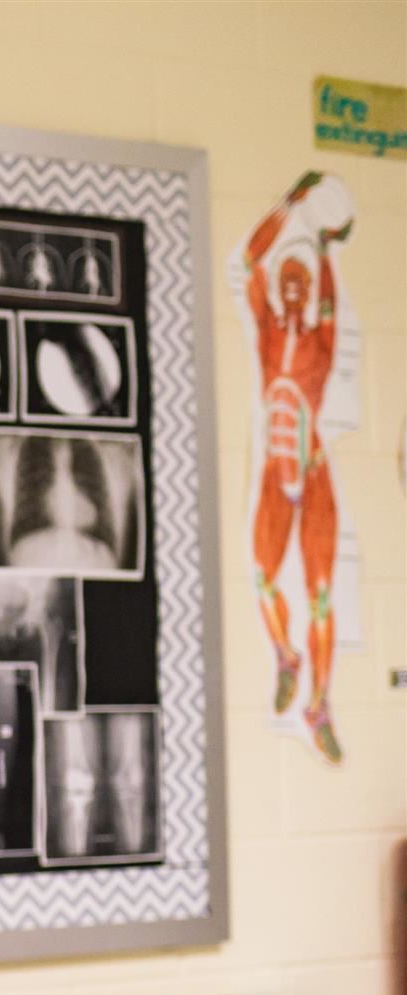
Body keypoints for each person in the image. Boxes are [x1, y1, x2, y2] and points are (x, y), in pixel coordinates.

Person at [242, 170, 351, 764]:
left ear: (306, 291)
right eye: (286, 279)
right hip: (272, 469)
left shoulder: (320, 340)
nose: (289, 287)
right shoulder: (263, 332)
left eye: (298, 281)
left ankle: (320, 705)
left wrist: (328, 248)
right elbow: (250, 259)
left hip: (310, 472)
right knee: (262, 578)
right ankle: (285, 654)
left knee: (322, 594)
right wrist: (289, 203)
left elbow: (331, 302)